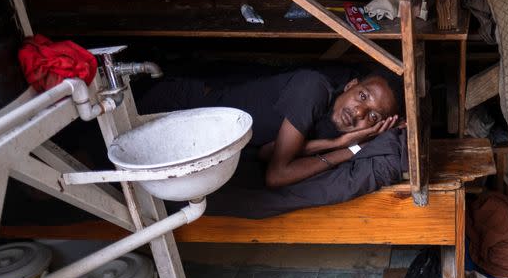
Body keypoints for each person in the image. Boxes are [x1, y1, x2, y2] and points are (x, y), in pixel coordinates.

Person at [135, 65, 405, 189]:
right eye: (362, 96)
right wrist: (347, 149)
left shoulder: (330, 126)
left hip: (200, 134)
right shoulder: (313, 89)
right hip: (174, 107)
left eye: (372, 117)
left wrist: (342, 144)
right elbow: (277, 174)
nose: (359, 111)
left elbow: (268, 152)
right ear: (349, 86)